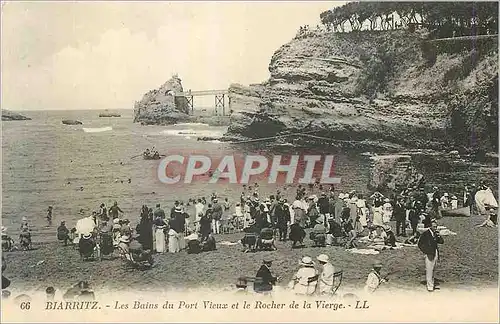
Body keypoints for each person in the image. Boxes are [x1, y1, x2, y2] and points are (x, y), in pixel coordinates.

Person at [418, 219, 444, 292]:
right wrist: (426, 251)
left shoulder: (435, 233)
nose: (435, 228)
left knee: (433, 269)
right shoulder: (426, 234)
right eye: (434, 226)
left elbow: (442, 242)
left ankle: (432, 284)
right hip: (429, 253)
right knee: (429, 270)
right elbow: (420, 244)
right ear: (430, 226)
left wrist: (439, 236)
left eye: (436, 226)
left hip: (435, 252)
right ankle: (429, 286)